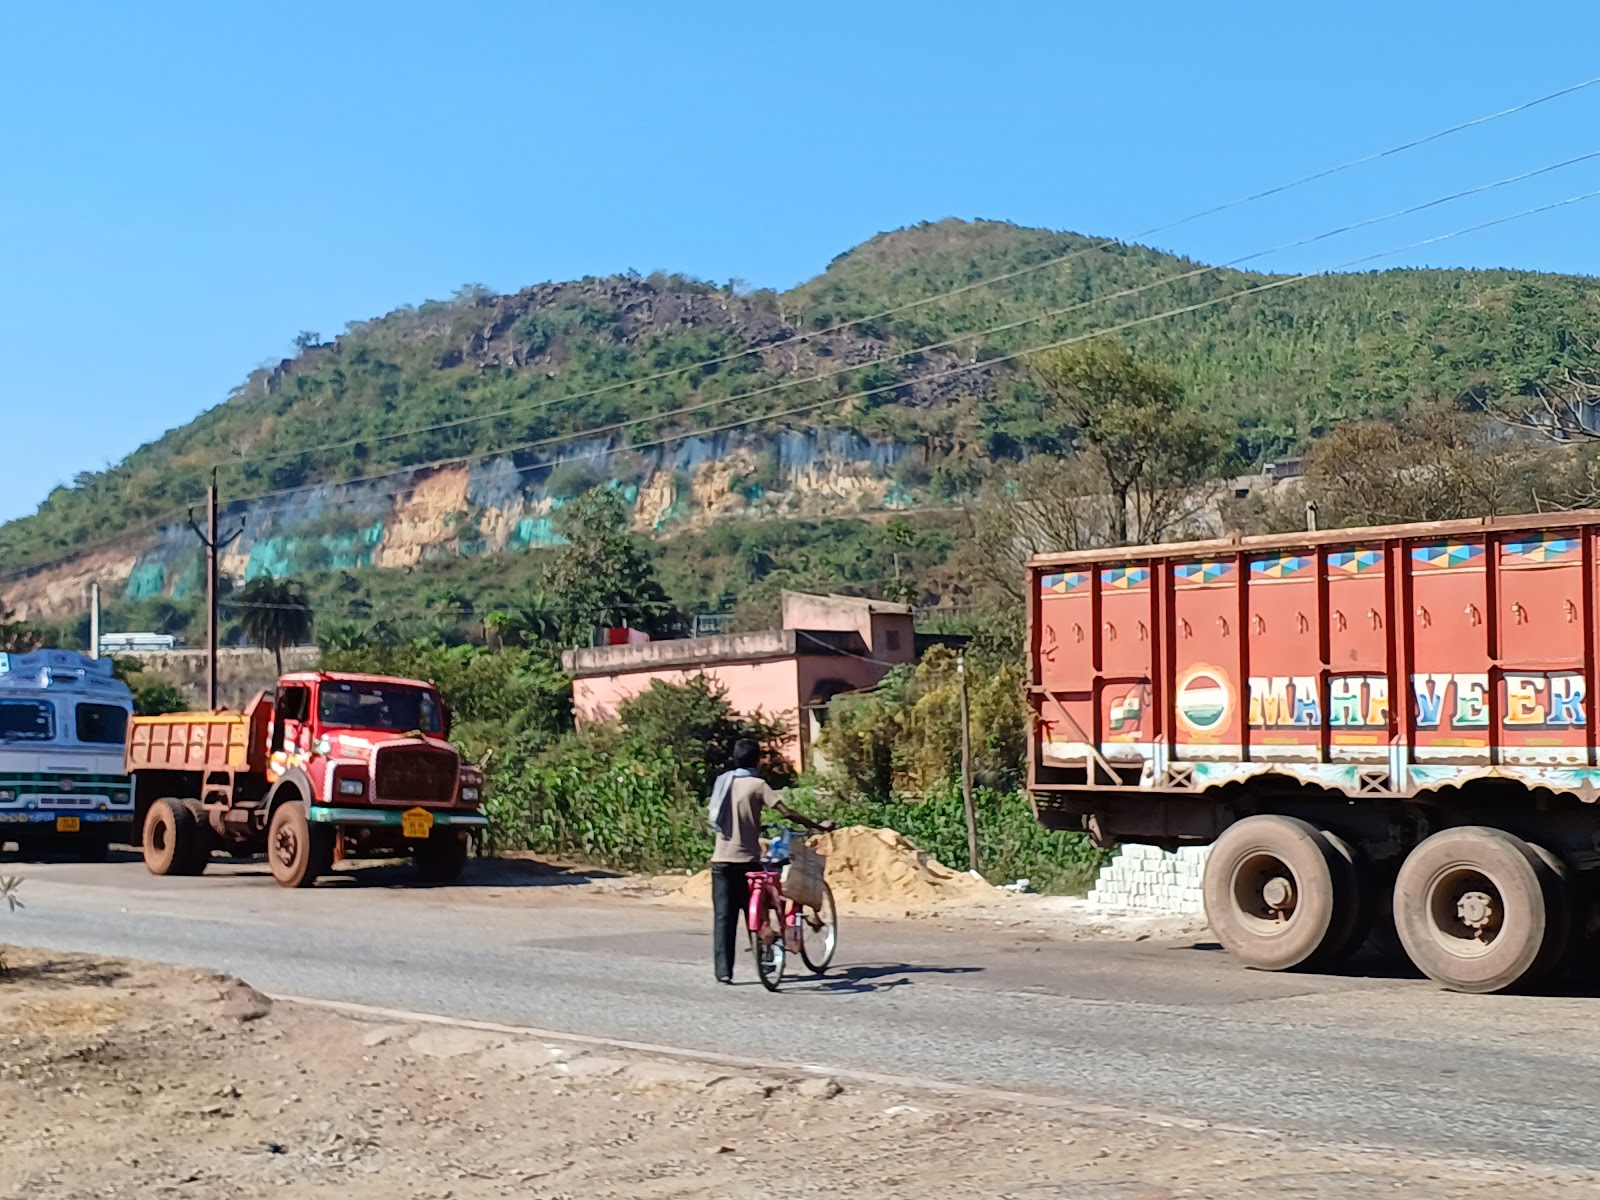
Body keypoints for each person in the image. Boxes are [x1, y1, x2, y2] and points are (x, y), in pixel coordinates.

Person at [708, 738, 830, 984]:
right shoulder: (757, 785)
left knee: (723, 917)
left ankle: (723, 971)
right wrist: (817, 825)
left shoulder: (723, 782)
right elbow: (787, 813)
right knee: (762, 910)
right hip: (747, 861)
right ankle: (767, 957)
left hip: (720, 861)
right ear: (758, 760)